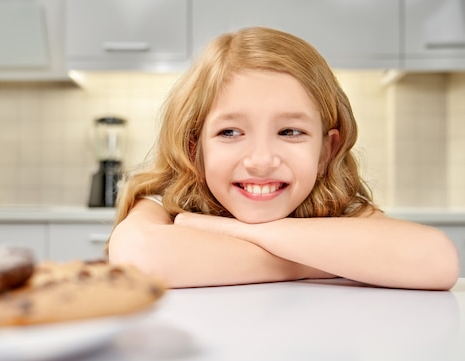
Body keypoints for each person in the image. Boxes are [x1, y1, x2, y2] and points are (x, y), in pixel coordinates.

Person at [107, 26, 459, 290]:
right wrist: (327, 259)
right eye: (230, 132)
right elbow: (141, 258)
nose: (261, 160)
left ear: (326, 151)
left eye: (290, 132)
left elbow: (436, 260)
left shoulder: (336, 206)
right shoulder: (165, 203)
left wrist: (225, 230)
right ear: (194, 148)